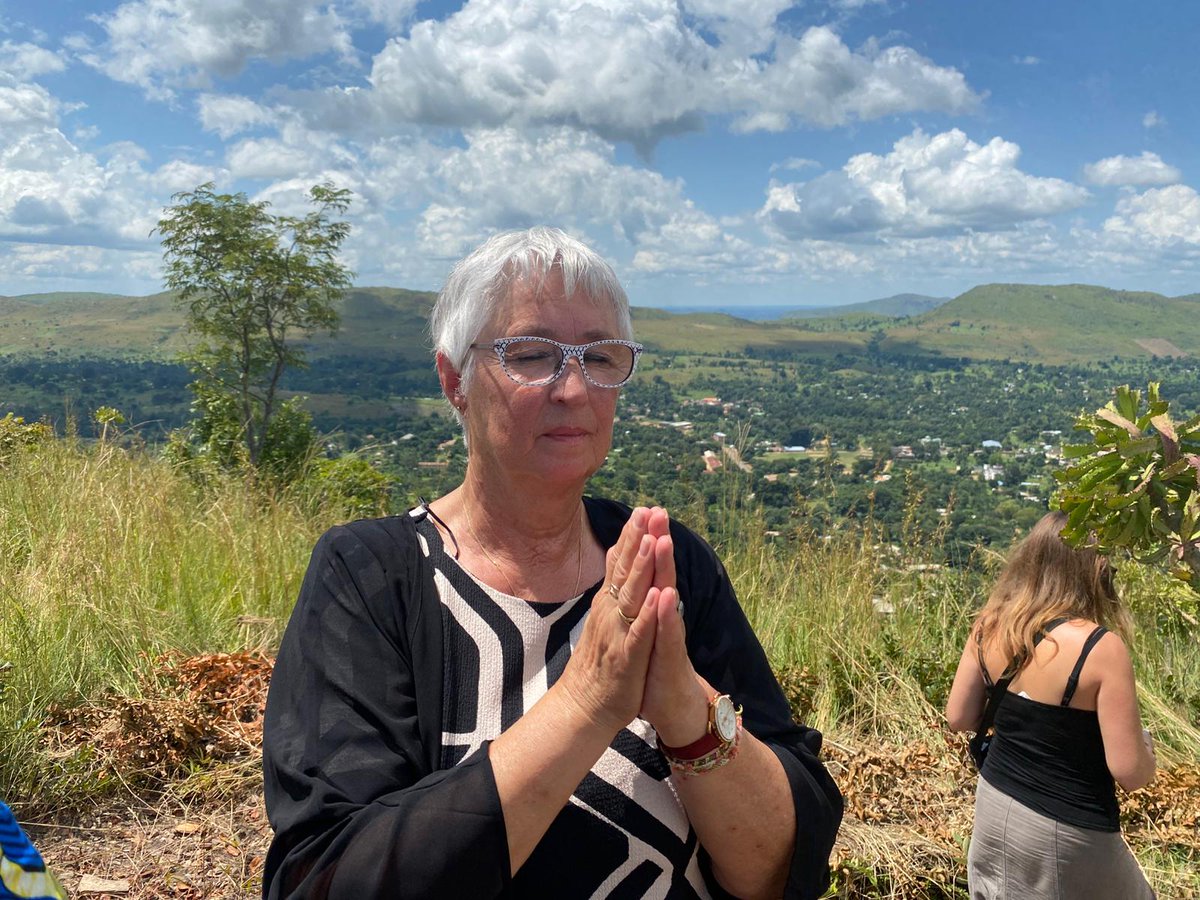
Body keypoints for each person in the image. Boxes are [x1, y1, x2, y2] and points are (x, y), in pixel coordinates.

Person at [262, 227, 842, 899]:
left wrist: (686, 705)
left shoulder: (665, 561)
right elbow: (328, 879)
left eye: (600, 357)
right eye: (532, 355)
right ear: (455, 379)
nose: (573, 389)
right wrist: (588, 700)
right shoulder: (373, 577)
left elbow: (779, 870)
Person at [946, 510, 1157, 899]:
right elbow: (1130, 772)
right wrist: (1147, 754)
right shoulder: (1099, 647)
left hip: (994, 803)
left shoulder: (991, 623)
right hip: (1068, 828)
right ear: (1093, 568)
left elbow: (958, 716)